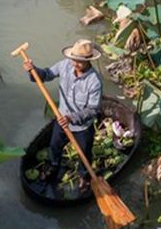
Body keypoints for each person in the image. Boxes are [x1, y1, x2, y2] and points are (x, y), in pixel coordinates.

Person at [23, 39, 103, 189]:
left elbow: (93, 109)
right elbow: (46, 74)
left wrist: (71, 118)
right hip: (61, 120)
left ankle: (84, 176)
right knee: (54, 147)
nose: (75, 63)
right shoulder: (65, 65)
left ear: (88, 61)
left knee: (84, 154)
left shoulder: (95, 81)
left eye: (79, 61)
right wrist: (33, 70)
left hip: (82, 127)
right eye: (74, 59)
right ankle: (53, 167)